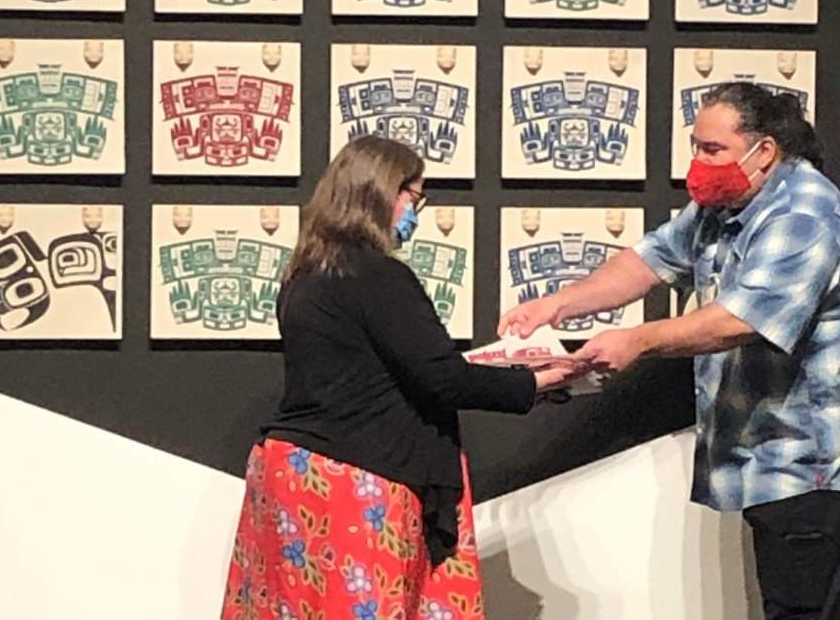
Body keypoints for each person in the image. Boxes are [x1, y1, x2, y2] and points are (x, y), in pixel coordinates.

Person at [499, 82, 840, 620]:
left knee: (803, 610)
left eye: (713, 150)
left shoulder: (805, 215)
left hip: (812, 461)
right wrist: (558, 305)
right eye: (696, 146)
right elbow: (646, 261)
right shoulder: (723, 203)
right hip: (775, 457)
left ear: (765, 152)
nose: (699, 162)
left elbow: (740, 321)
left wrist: (638, 340)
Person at [221, 136, 576, 620]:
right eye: (413, 195)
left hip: (292, 475)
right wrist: (538, 382)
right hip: (354, 482)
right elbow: (442, 379)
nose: (416, 209)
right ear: (382, 192)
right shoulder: (377, 276)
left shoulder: (305, 276)